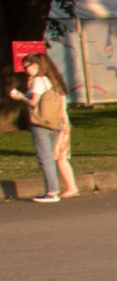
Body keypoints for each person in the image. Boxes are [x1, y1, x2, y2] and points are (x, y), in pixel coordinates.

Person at [10, 51, 76, 201]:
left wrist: (20, 96)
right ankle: (53, 190)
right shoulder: (52, 80)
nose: (25, 69)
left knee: (44, 158)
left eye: (26, 66)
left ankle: (52, 192)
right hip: (55, 123)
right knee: (51, 157)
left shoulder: (39, 81)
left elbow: (33, 102)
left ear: (35, 65)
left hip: (41, 123)